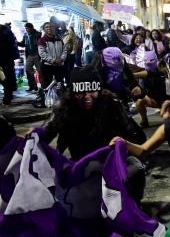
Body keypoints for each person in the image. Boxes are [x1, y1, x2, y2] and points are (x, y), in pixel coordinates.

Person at [41, 67, 146, 200]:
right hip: (80, 163)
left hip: (109, 160)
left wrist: (122, 146)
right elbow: (45, 133)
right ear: (73, 93)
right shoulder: (63, 106)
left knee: (136, 166)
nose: (87, 97)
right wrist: (31, 138)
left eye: (91, 90)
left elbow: (135, 134)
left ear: (99, 90)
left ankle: (133, 207)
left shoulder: (111, 103)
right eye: (81, 92)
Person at [135, 51, 169, 128]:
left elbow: (155, 73)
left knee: (168, 123)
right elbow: (142, 91)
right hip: (153, 100)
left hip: (167, 100)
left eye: (151, 60)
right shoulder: (143, 75)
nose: (149, 63)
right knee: (139, 101)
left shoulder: (164, 69)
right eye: (146, 61)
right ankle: (144, 121)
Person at [38, 22, 67, 88]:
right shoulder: (42, 40)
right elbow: (42, 53)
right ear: (44, 29)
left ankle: (60, 97)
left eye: (51, 26)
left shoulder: (59, 39)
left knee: (60, 84)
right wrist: (53, 60)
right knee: (47, 85)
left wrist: (62, 59)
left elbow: (64, 50)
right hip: (47, 66)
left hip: (59, 65)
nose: (49, 28)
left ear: (53, 28)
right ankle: (48, 98)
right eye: (47, 27)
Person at [18, 22, 41, 92]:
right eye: (26, 28)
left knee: (40, 71)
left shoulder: (37, 34)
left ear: (32, 28)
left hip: (37, 55)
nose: (26, 30)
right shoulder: (25, 35)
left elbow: (40, 42)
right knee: (28, 70)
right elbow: (23, 44)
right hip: (29, 55)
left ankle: (43, 86)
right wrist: (16, 42)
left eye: (27, 28)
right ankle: (32, 86)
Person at [0, 23, 19, 105]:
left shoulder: (4, 33)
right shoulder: (8, 32)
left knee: (5, 80)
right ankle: (8, 96)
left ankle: (7, 98)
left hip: (4, 60)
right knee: (8, 78)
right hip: (8, 60)